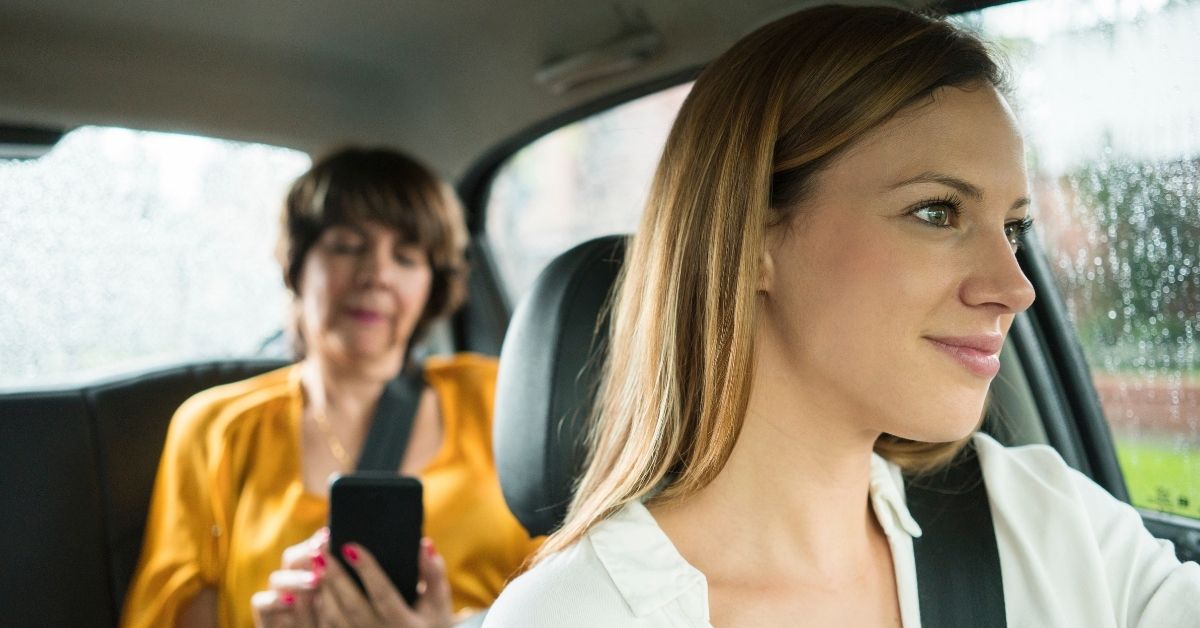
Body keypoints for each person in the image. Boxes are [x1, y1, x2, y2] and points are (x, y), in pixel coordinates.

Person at [482, 5, 1200, 626]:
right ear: (752, 241)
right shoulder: (577, 617)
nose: (1015, 287)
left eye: (1014, 229)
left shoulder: (1041, 521)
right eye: (936, 211)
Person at [121, 148, 539, 628]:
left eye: (405, 256)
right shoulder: (217, 428)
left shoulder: (498, 397)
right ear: (299, 264)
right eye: (346, 246)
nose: (376, 275)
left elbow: (576, 592)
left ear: (432, 285)